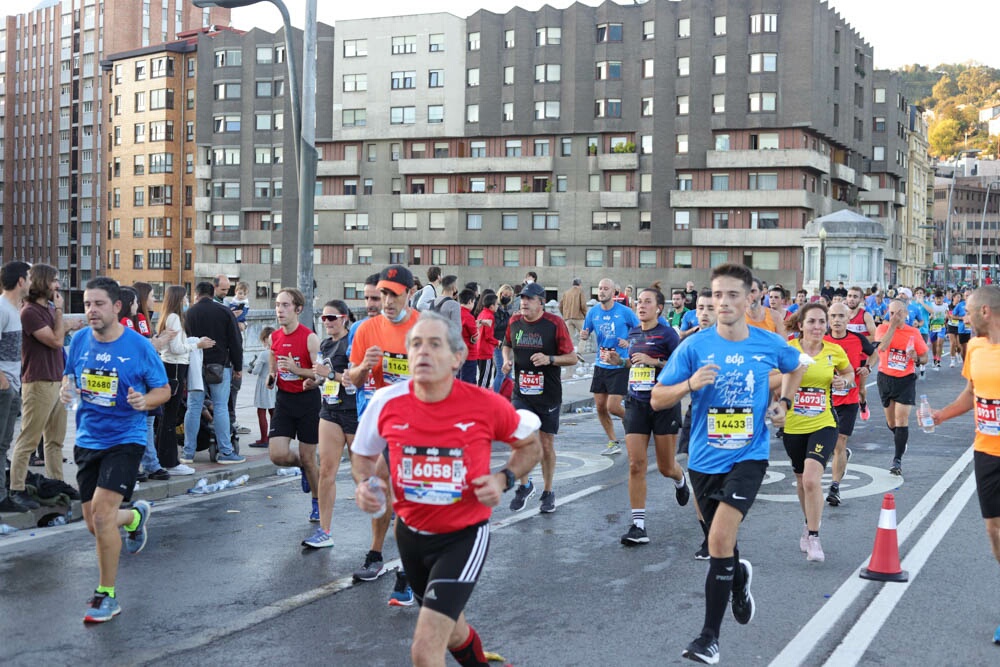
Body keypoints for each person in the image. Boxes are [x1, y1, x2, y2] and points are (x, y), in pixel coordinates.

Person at [354, 312, 541, 667]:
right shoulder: (386, 403)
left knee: (425, 649)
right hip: (410, 535)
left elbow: (530, 446)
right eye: (416, 344)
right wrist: (366, 484)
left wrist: (503, 479)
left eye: (434, 344)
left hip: (462, 537)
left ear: (457, 358)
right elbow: (362, 456)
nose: (422, 352)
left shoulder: (485, 404)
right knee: (452, 630)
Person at [651, 263, 804, 665]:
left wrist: (784, 404)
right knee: (723, 546)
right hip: (703, 460)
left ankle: (708, 639)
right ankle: (738, 578)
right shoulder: (694, 347)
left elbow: (796, 366)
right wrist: (688, 385)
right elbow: (656, 398)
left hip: (748, 457)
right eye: (717, 295)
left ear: (751, 296)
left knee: (718, 541)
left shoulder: (767, 342)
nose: (723, 303)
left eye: (733, 294)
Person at [61, 277, 170, 623]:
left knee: (103, 515)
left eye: (98, 304)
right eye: (87, 304)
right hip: (88, 438)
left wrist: (144, 400)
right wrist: (67, 389)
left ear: (117, 307)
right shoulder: (78, 340)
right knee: (96, 524)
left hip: (127, 438)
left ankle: (106, 595)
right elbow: (69, 376)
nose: (91, 310)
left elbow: (164, 390)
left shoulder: (139, 347)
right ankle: (135, 516)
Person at [929, 285, 1000, 644]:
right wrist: (942, 415)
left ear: (986, 312)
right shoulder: (974, 347)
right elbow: (972, 396)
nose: (964, 317)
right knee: (994, 529)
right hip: (987, 450)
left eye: (969, 312)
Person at [347, 265, 421, 604]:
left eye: (394, 294)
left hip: (418, 424)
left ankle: (408, 571)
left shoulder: (424, 327)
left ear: (410, 293)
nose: (387, 301)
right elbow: (355, 380)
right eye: (383, 294)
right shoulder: (367, 329)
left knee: (408, 500)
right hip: (382, 421)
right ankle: (376, 556)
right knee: (379, 489)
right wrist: (364, 367)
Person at [610, 285, 688, 546]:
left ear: (658, 308)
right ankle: (638, 525)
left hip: (663, 405)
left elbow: (681, 369)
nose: (641, 306)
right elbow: (633, 363)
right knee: (636, 464)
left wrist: (655, 362)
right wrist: (619, 361)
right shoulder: (632, 333)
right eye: (638, 302)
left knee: (666, 467)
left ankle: (680, 479)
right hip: (636, 403)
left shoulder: (667, 335)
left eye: (647, 302)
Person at [782, 303, 853, 562]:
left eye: (822, 322)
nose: (817, 327)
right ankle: (807, 522)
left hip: (824, 423)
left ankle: (814, 536)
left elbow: (849, 373)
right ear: (800, 325)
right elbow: (772, 377)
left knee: (812, 480)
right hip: (792, 426)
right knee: (802, 481)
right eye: (811, 322)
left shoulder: (835, 350)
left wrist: (843, 380)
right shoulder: (789, 350)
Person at [8, 265, 78, 509]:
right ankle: (16, 488)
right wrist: (60, 312)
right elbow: (56, 340)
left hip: (57, 380)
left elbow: (58, 339)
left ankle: (56, 484)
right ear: (42, 282)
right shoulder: (29, 312)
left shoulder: (47, 309)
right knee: (28, 439)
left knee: (55, 441)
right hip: (38, 382)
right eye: (54, 281)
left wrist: (60, 317)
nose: (57, 286)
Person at [502, 281, 576, 513]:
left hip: (548, 393)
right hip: (522, 392)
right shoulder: (514, 321)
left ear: (541, 302)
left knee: (545, 444)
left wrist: (550, 359)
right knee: (518, 437)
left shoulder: (555, 324)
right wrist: (507, 359)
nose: (523, 302)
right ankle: (525, 486)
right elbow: (507, 344)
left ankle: (548, 490)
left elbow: (572, 357)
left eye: (529, 299)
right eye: (522, 298)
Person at [302, 300, 356, 549]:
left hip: (353, 412)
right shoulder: (325, 344)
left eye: (331, 318)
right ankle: (324, 530)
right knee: (326, 471)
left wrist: (328, 375)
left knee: (362, 474)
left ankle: (390, 511)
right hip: (330, 410)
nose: (326, 322)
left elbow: (355, 379)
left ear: (344, 318)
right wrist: (315, 382)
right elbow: (324, 376)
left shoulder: (351, 344)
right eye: (323, 318)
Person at [267, 288, 322, 524]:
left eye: (286, 305)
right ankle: (302, 467)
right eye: (278, 304)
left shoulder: (309, 337)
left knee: (310, 458)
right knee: (277, 455)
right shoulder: (274, 336)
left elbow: (320, 374)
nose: (280, 309)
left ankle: (318, 503)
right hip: (284, 400)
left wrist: (297, 370)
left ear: (298, 309)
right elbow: (273, 356)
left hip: (308, 401)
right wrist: (272, 375)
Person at [181, 282, 245, 465]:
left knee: (193, 407)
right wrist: (238, 367)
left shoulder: (189, 313)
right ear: (212, 293)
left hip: (194, 366)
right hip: (219, 365)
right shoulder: (224, 312)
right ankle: (226, 452)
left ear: (197, 294)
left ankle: (187, 453)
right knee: (220, 406)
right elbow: (235, 341)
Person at [156, 285, 213, 476]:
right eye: (185, 297)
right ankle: (169, 461)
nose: (187, 300)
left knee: (168, 418)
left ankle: (164, 458)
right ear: (179, 299)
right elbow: (176, 348)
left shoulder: (169, 317)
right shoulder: (174, 318)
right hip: (175, 369)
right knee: (170, 419)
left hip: (173, 368)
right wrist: (197, 344)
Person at [581, 278, 640, 456]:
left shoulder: (625, 312)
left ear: (614, 292)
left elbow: (641, 330)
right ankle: (613, 441)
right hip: (601, 364)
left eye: (606, 288)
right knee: (600, 406)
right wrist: (584, 335)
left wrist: (628, 341)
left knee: (613, 406)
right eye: (600, 288)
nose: (602, 291)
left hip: (620, 364)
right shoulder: (593, 313)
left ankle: (635, 421)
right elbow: (586, 331)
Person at [824, 303, 876, 507]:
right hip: (824, 400)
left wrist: (867, 368)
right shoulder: (822, 340)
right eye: (833, 316)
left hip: (848, 399)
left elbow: (874, 353)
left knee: (839, 442)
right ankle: (842, 456)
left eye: (841, 316)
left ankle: (835, 486)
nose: (836, 320)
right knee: (830, 445)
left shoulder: (857, 339)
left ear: (848, 319)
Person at [874, 299, 929, 476]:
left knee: (901, 420)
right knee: (891, 423)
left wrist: (916, 359)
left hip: (905, 380)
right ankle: (900, 439)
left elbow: (924, 358)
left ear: (906, 314)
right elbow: (881, 347)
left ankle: (897, 460)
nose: (894, 316)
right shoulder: (882, 328)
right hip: (885, 379)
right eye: (891, 313)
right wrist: (892, 326)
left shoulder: (913, 332)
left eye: (898, 313)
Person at [0, 261, 30, 513]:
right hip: (4, 388)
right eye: (29, 277)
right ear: (20, 281)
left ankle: (1, 496)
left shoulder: (13, 309)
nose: (31, 282)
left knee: (3, 444)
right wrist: (4, 383)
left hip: (12, 386)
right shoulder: (1, 308)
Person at [845, 286, 876, 420]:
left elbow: (874, 336)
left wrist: (855, 340)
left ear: (861, 299)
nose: (851, 299)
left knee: (860, 389)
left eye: (855, 296)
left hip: (861, 358)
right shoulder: (841, 315)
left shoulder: (865, 315)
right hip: (844, 358)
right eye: (850, 296)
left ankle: (863, 403)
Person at [491, 285, 515, 391]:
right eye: (505, 295)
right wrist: (509, 317)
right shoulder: (496, 308)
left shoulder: (508, 308)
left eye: (509, 296)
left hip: (507, 343)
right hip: (498, 343)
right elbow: (497, 325)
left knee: (508, 371)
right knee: (501, 372)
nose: (507, 297)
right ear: (500, 294)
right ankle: (494, 397)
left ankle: (507, 394)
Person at [472, 292, 499, 388]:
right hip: (486, 352)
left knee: (482, 377)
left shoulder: (481, 314)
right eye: (497, 304)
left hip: (479, 349)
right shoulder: (490, 316)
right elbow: (488, 337)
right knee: (485, 380)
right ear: (491, 306)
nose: (497, 306)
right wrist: (498, 342)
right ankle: (481, 401)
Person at [457, 289, 480, 383]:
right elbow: (475, 337)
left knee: (459, 381)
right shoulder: (468, 316)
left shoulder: (456, 313)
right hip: (469, 354)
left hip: (457, 354)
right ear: (470, 301)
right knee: (469, 383)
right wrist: (477, 327)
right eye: (473, 302)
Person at [923, 290, 949, 370]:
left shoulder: (945, 305)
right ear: (934, 299)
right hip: (933, 327)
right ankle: (934, 358)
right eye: (937, 298)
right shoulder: (931, 305)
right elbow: (927, 315)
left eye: (940, 298)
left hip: (941, 327)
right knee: (934, 345)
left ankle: (938, 360)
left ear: (943, 298)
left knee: (939, 343)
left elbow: (947, 314)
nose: (939, 300)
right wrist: (930, 317)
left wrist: (947, 317)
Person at [559, 278, 588, 350]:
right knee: (584, 335)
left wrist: (564, 314)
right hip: (579, 317)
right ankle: (580, 352)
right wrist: (586, 315)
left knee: (569, 338)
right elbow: (583, 305)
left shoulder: (566, 293)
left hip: (567, 318)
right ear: (580, 284)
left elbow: (560, 306)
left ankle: (569, 353)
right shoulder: (580, 292)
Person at [947, 290, 965, 367]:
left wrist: (956, 317)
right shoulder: (949, 306)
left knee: (959, 344)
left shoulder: (962, 306)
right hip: (951, 326)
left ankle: (958, 353)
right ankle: (952, 360)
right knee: (952, 343)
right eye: (958, 297)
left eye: (960, 297)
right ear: (953, 298)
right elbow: (948, 316)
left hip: (959, 326)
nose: (959, 298)